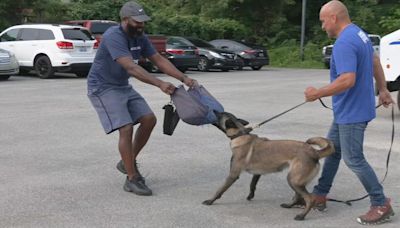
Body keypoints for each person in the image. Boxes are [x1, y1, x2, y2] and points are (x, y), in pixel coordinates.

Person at [87, 1, 197, 196]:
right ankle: (132, 179)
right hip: (103, 87)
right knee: (126, 127)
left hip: (122, 86)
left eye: (143, 22)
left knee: (149, 119)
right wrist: (160, 83)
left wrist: (183, 77)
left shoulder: (140, 37)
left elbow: (159, 60)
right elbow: (131, 67)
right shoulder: (114, 36)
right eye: (137, 22)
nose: (141, 25)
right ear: (125, 20)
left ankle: (126, 161)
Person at [304, 0, 395, 225]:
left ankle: (381, 203)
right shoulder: (359, 34)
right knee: (332, 151)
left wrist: (318, 93)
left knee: (354, 159)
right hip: (351, 109)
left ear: (334, 18)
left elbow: (347, 79)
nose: (323, 26)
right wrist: (382, 88)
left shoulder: (344, 42)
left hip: (352, 113)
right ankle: (320, 194)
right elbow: (374, 60)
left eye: (323, 21)